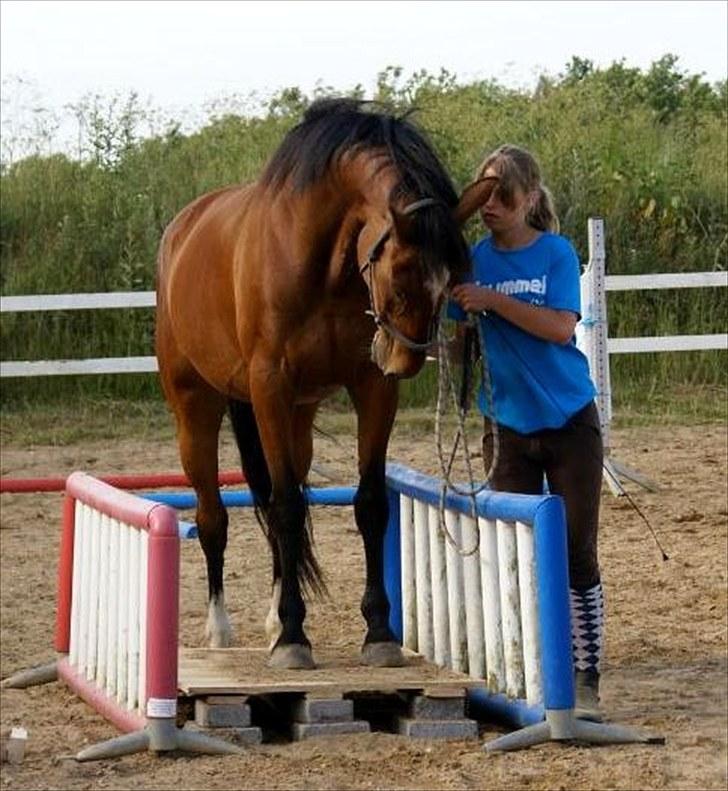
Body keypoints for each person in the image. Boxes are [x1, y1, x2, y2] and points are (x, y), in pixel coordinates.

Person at [448, 144, 605, 721]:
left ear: (529, 199)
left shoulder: (556, 255)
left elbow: (562, 328)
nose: (492, 207)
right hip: (507, 424)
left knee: (575, 551)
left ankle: (585, 673)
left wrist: (491, 302)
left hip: (569, 421)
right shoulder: (471, 260)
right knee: (509, 553)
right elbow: (450, 329)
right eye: (484, 197)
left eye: (504, 196)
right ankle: (523, 668)